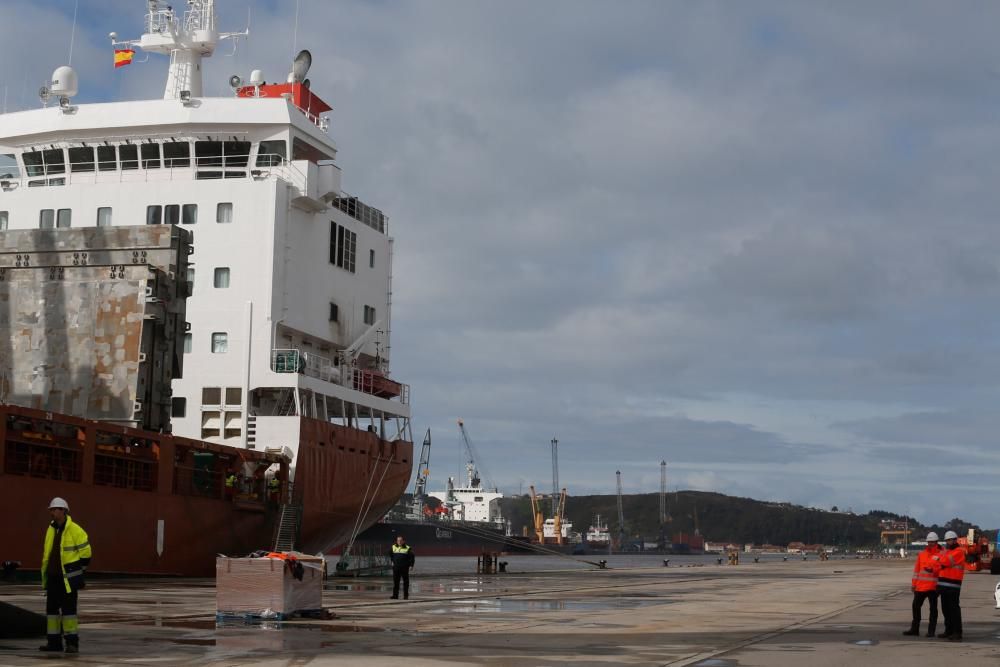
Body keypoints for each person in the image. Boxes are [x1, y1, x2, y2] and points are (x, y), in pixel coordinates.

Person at [40, 497, 91, 654]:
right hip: (53, 578)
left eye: (55, 509)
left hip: (67, 579)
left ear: (63, 511)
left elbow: (86, 555)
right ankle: (54, 643)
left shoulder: (75, 530)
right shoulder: (51, 529)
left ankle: (72, 644)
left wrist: (76, 572)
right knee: (52, 613)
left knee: (69, 612)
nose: (52, 512)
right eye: (51, 510)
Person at [903, 532, 941, 637]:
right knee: (915, 607)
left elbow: (942, 569)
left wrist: (933, 570)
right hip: (920, 587)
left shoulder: (941, 554)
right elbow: (916, 571)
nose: (931, 544)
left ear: (937, 542)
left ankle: (931, 631)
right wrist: (913, 584)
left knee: (933, 610)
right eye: (929, 542)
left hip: (933, 587)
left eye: (933, 542)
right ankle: (914, 629)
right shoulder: (922, 554)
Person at [936, 531, 965, 641]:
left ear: (955, 540)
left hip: (953, 585)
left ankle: (957, 632)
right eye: (947, 540)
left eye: (949, 540)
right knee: (945, 609)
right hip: (944, 584)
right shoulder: (948, 551)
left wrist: (940, 559)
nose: (948, 542)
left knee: (954, 609)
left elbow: (945, 561)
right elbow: (942, 561)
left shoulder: (959, 551)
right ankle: (948, 630)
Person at [390, 535, 415, 600]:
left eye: (401, 540)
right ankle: (395, 596)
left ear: (403, 541)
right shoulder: (393, 547)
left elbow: (412, 557)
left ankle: (405, 596)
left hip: (404, 568)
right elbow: (390, 554)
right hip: (396, 568)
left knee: (406, 582)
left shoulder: (408, 548)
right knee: (396, 582)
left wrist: (411, 565)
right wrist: (392, 561)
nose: (399, 541)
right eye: (398, 540)